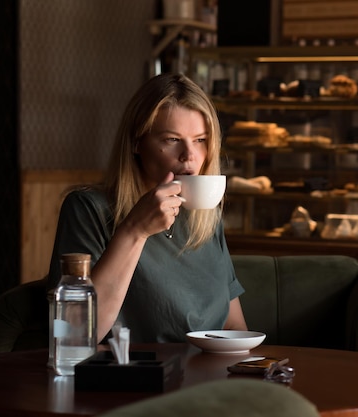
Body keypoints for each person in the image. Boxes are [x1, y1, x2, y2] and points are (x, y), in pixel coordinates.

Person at [47, 73, 248, 343]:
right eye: (172, 139)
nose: (189, 155)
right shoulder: (87, 209)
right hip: (140, 379)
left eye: (200, 140)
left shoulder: (206, 216)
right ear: (137, 143)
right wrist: (135, 230)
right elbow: (73, 335)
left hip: (212, 379)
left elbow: (235, 327)